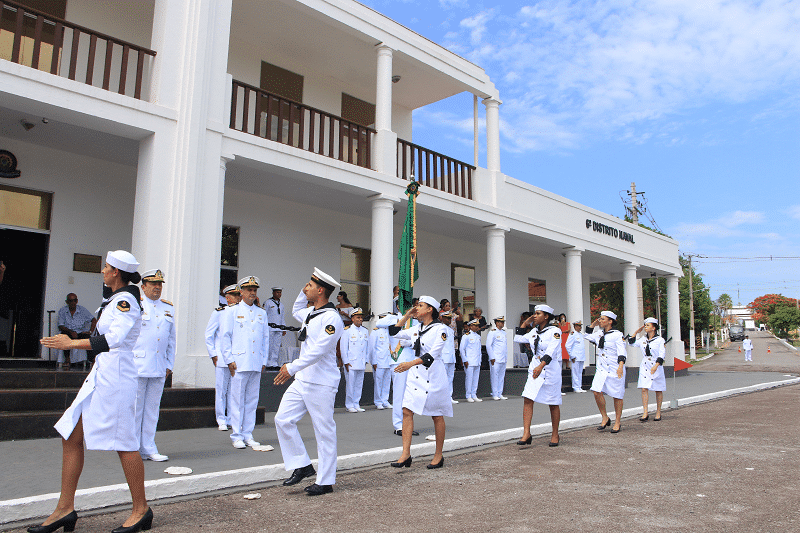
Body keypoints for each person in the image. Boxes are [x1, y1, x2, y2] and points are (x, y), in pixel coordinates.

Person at [36, 250, 151, 533]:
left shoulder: (126, 301)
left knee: (125, 443)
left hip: (118, 378)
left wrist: (71, 344)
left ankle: (141, 510)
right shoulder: (113, 300)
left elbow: (112, 339)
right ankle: (65, 509)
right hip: (102, 375)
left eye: (107, 267)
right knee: (71, 435)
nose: (103, 270)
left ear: (117, 273)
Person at [274, 268, 344, 496]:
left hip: (321, 382)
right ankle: (302, 465)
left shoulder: (332, 318)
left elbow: (318, 350)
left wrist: (291, 367)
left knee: (324, 431)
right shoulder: (311, 313)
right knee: (282, 419)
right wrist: (304, 291)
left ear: (321, 290)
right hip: (303, 379)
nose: (306, 288)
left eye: (310, 286)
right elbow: (296, 309)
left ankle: (325, 481)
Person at [390, 296, 452, 469]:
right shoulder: (416, 328)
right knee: (406, 411)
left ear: (430, 309)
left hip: (433, 375)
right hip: (416, 375)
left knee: (437, 415)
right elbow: (393, 332)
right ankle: (405, 454)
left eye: (420, 306)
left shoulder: (441, 329)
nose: (417, 308)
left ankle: (438, 455)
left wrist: (409, 363)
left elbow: (431, 355)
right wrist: (407, 315)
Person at [220, 276, 269, 449]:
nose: (252, 293)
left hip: (255, 362)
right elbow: (225, 337)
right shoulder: (231, 311)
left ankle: (248, 433)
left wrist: (264, 360)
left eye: (254, 290)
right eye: (249, 290)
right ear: (241, 291)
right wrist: (229, 360)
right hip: (239, 362)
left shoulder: (261, 313)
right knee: (237, 400)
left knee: (251, 401)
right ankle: (236, 435)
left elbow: (265, 339)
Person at [132, 269, 176, 463]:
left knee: (152, 410)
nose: (157, 288)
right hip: (138, 364)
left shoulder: (168, 308)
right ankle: (133, 449)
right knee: (135, 409)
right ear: (143, 287)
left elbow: (171, 339)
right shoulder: (135, 305)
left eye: (160, 285)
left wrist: (169, 364)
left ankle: (149, 447)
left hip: (159, 366)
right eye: (153, 284)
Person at [514, 305, 562, 446]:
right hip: (535, 369)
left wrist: (541, 365)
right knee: (528, 398)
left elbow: (551, 351)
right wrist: (525, 323)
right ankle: (526, 433)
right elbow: (518, 338)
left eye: (538, 314)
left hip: (549, 370)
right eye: (534, 313)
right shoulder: (534, 331)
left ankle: (555, 434)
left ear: (546, 316)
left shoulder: (555, 331)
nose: (535, 316)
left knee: (553, 403)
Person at [583, 311, 627, 433]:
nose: (600, 321)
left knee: (617, 395)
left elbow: (622, 351)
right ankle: (605, 417)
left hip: (615, 368)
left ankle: (617, 421)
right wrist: (592, 325)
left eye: (603, 319)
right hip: (602, 368)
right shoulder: (598, 334)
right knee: (596, 391)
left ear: (610, 321)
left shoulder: (617, 335)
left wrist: (621, 366)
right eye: (600, 319)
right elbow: (586, 335)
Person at [205, 284, 240, 431]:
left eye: (239, 295)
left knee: (234, 390)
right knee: (221, 390)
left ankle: (232, 418)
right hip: (221, 357)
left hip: (236, 358)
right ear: (227, 298)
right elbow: (209, 335)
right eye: (235, 295)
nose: (238, 298)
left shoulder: (241, 313)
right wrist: (213, 354)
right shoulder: (219, 312)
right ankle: (221, 419)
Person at [382, 302, 420, 436]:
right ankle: (398, 425)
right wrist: (405, 316)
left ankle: (407, 424)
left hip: (411, 362)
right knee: (399, 395)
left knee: (410, 395)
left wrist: (410, 342)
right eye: (405, 305)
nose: (409, 308)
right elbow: (383, 326)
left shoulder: (415, 323)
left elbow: (420, 339)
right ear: (398, 307)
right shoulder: (392, 319)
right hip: (398, 361)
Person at [628, 317, 666, 421]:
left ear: (654, 328)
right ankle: (645, 412)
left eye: (648, 325)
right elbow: (631, 343)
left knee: (658, 390)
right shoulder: (643, 339)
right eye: (645, 325)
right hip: (645, 365)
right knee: (644, 389)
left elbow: (662, 354)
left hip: (656, 366)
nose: (645, 327)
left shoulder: (660, 340)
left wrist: (656, 366)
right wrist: (636, 332)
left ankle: (658, 412)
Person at [56, 293, 96, 369]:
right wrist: (71, 332)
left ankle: (92, 361)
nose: (73, 303)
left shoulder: (82, 310)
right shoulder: (63, 311)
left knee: (89, 338)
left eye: (74, 300)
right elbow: (60, 326)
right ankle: (67, 360)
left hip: (80, 332)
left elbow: (93, 319)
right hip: (68, 332)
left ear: (77, 301)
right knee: (64, 336)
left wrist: (90, 331)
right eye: (70, 301)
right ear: (67, 302)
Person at [341, 307, 368, 413]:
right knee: (350, 384)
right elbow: (343, 347)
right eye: (358, 317)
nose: (360, 319)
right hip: (351, 362)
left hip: (361, 362)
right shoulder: (347, 331)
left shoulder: (365, 331)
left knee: (359, 384)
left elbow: (367, 347)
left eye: (361, 317)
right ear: (352, 319)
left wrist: (366, 360)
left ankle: (356, 403)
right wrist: (346, 362)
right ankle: (349, 404)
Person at [369, 313, 393, 409]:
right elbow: (372, 348)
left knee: (387, 381)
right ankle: (378, 401)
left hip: (388, 360)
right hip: (379, 361)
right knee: (378, 382)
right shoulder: (376, 332)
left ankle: (385, 400)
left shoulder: (390, 331)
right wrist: (373, 362)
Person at [486, 316, 508, 400]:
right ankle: (495, 393)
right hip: (495, 358)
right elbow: (488, 345)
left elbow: (504, 347)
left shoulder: (503, 333)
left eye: (503, 322)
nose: (502, 324)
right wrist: (491, 357)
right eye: (500, 322)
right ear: (497, 323)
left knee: (501, 376)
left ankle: (500, 393)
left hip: (503, 358)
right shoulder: (492, 332)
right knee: (494, 376)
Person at [461, 318, 482, 402]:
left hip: (477, 360)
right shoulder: (466, 336)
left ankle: (474, 394)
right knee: (469, 378)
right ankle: (468, 395)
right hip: (469, 361)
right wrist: (464, 360)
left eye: (477, 326)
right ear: (470, 326)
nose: (477, 327)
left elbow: (478, 349)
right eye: (475, 325)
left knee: (475, 378)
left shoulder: (478, 336)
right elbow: (462, 349)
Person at [439, 310, 458, 404]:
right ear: (443, 319)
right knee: (443, 378)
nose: (449, 320)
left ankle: (449, 396)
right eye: (447, 318)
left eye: (450, 318)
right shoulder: (440, 328)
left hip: (451, 357)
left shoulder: (450, 330)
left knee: (450, 378)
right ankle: (442, 397)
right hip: (444, 357)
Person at [265, 287, 286, 369]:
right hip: (270, 328)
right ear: (273, 293)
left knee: (276, 346)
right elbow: (264, 315)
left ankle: (274, 363)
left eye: (280, 292)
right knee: (269, 345)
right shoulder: (268, 302)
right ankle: (268, 363)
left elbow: (282, 317)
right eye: (277, 292)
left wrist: (283, 328)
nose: (279, 294)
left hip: (279, 328)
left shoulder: (281, 305)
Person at [566, 320, 586, 392]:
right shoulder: (572, 334)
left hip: (581, 356)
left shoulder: (580, 334)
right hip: (575, 356)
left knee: (580, 372)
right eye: (578, 326)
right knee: (575, 372)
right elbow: (567, 346)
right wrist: (572, 356)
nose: (580, 327)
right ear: (575, 326)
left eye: (580, 326)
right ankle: (575, 387)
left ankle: (579, 386)